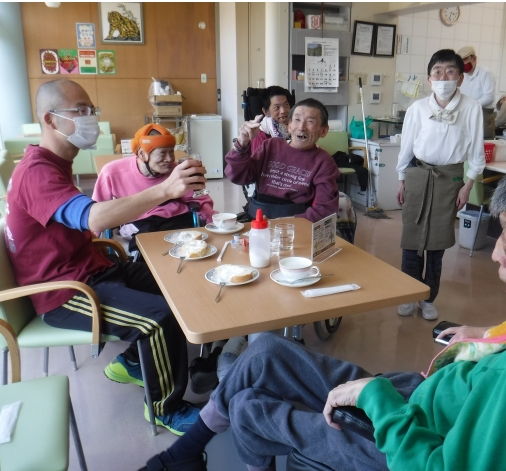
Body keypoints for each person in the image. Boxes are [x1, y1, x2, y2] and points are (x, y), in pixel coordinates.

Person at [129, 150, 506, 471]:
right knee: (266, 351)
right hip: (416, 398)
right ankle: (185, 455)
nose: (495, 255)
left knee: (250, 407)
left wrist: (375, 398)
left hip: (403, 446)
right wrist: (488, 337)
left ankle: (242, 466)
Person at [4, 79, 206, 435]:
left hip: (93, 270)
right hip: (65, 293)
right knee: (159, 318)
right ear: (50, 120)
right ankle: (164, 409)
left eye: (91, 110)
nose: (91, 118)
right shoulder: (36, 171)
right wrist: (165, 189)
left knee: (177, 282)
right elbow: (95, 219)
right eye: (80, 111)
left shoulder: (55, 163)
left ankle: (133, 362)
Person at [396, 49, 485, 321]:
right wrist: (401, 179)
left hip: (451, 178)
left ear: (460, 78)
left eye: (450, 71)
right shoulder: (418, 109)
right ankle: (408, 293)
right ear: (429, 78)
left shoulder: (471, 107)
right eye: (437, 72)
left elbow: (477, 152)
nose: (443, 77)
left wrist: (467, 186)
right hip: (418, 174)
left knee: (437, 241)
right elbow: (406, 146)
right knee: (411, 238)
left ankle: (428, 298)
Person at [92, 124, 216, 258]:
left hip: (177, 219)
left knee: (191, 249)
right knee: (146, 252)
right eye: (162, 153)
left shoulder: (177, 171)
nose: (170, 159)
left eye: (171, 152)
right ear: (141, 153)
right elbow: (95, 214)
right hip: (140, 224)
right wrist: (93, 242)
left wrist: (214, 222)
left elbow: (199, 199)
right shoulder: (112, 172)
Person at [225, 98, 340, 223]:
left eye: (310, 121)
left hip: (294, 227)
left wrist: (282, 223)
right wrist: (242, 143)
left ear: (323, 131)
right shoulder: (271, 146)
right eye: (297, 120)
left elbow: (325, 210)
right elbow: (238, 176)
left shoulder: (324, 162)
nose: (301, 127)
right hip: (256, 220)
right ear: (289, 126)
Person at [457, 45, 497, 139]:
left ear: (474, 59)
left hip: (483, 113)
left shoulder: (485, 73)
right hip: (466, 113)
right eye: (461, 61)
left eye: (465, 59)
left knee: (483, 141)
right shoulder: (463, 75)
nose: (463, 64)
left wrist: (471, 105)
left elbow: (489, 97)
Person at [250, 86, 294, 154]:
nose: (283, 111)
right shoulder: (261, 135)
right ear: (265, 112)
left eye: (286, 105)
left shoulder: (297, 127)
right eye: (277, 107)